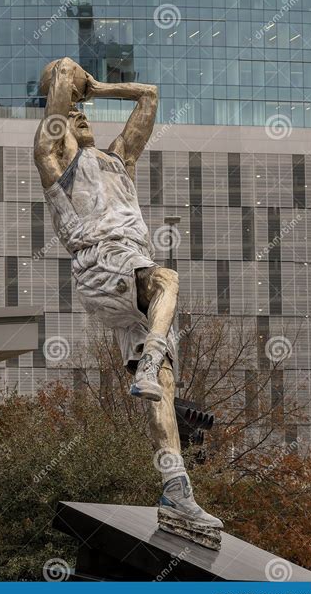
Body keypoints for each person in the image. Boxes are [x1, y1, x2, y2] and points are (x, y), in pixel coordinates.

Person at [34, 57, 223, 549]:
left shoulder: (120, 160)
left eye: (84, 113)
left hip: (129, 267)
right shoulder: (53, 159)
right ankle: (153, 357)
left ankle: (176, 489)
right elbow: (59, 83)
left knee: (159, 390)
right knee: (167, 281)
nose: (80, 118)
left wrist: (97, 89)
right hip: (101, 264)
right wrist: (68, 81)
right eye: (74, 114)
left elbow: (150, 95)